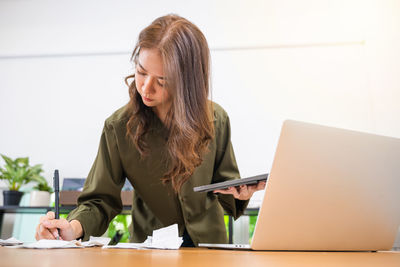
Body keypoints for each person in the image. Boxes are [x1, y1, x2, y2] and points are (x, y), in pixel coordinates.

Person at [35, 14, 266, 247]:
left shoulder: (216, 119)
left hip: (210, 248)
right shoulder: (118, 127)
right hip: (150, 249)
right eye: (142, 72)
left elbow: (226, 188)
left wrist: (241, 194)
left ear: (187, 82)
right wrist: (72, 229)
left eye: (162, 81)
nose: (146, 87)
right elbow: (99, 201)